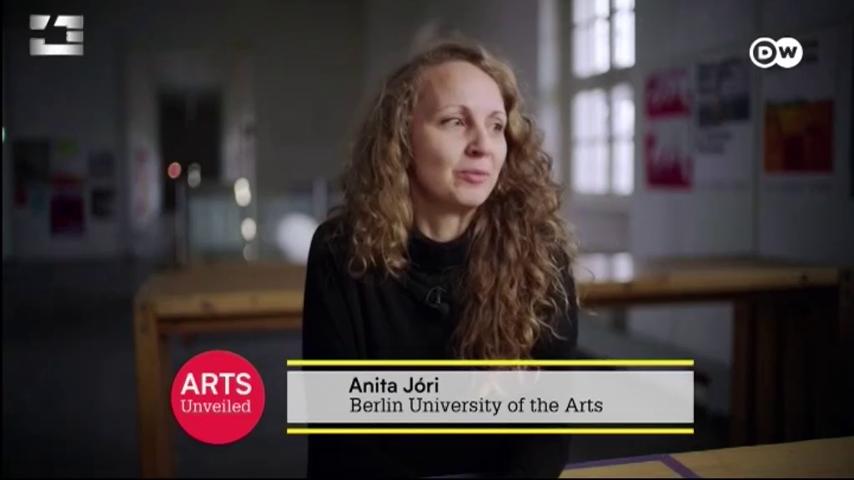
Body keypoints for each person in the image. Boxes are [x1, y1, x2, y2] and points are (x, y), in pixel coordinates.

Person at [301, 38, 579, 478]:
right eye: (455, 121)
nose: (482, 145)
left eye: (496, 126)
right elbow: (339, 439)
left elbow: (548, 425)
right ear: (402, 140)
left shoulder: (540, 252)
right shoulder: (340, 250)